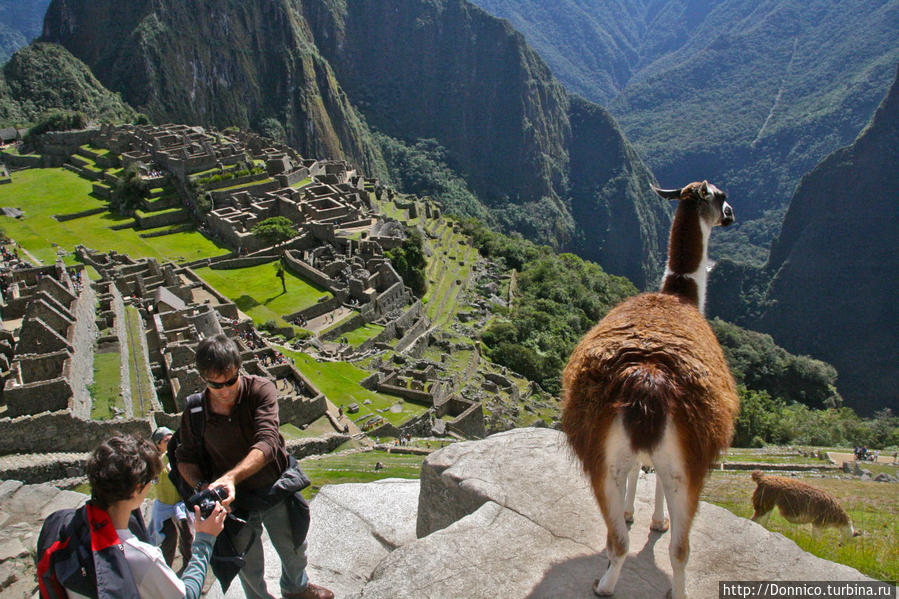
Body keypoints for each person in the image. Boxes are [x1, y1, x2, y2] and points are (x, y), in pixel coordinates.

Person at [176, 334, 333, 599]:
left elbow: (268, 441)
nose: (225, 389)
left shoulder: (260, 389)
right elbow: (186, 459)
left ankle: (296, 589)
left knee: (294, 549)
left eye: (231, 380)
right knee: (248, 566)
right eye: (216, 385)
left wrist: (232, 477)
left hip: (272, 489)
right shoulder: (195, 411)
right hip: (234, 505)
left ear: (239, 369)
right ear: (204, 380)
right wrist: (204, 488)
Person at [38, 434, 226, 599]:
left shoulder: (59, 523)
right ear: (136, 489)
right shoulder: (140, 558)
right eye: (151, 481)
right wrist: (204, 540)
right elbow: (187, 595)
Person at [149, 427, 194, 573]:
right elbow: (157, 469)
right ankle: (165, 572)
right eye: (166, 441)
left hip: (179, 504)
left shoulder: (176, 458)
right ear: (158, 444)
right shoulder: (157, 462)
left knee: (187, 535)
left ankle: (188, 565)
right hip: (165, 507)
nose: (170, 443)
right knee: (169, 540)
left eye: (171, 439)